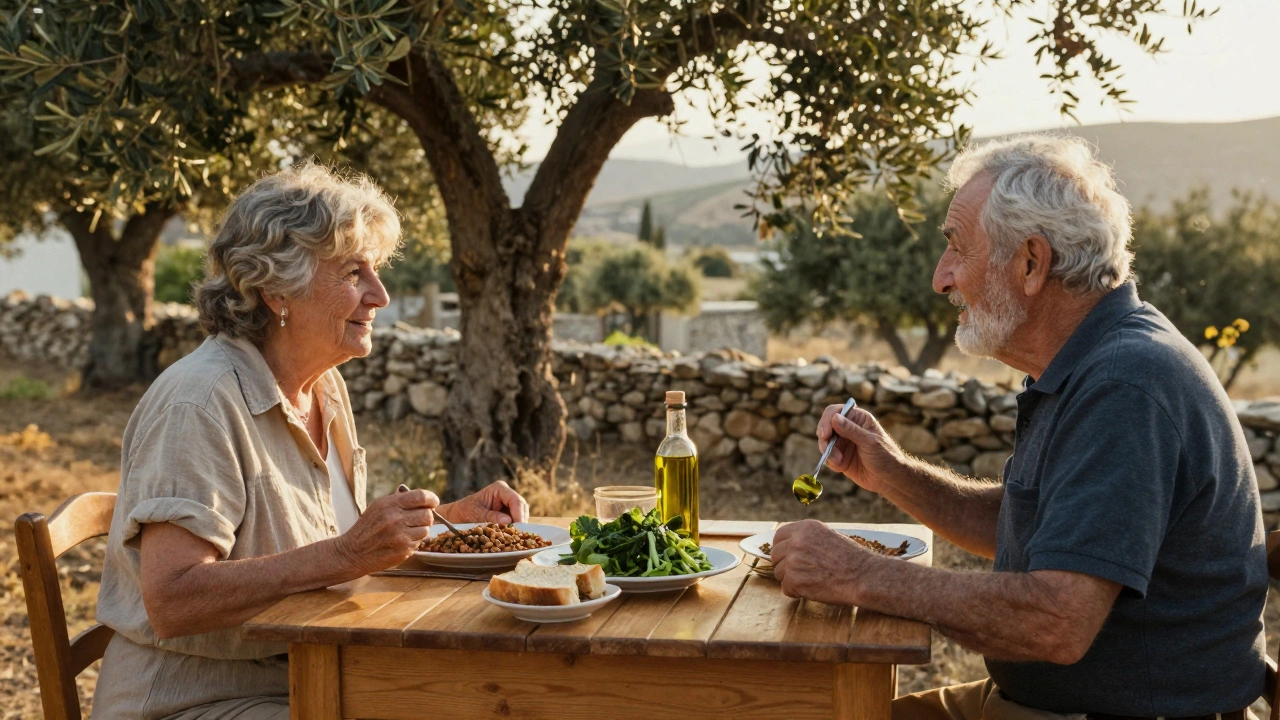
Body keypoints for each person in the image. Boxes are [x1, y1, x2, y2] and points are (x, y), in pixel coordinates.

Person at [770, 135, 1266, 719]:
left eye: (958, 248)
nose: (941, 278)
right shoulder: (1091, 361)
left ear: (1031, 262)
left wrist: (856, 575)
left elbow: (1057, 621)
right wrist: (893, 472)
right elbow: (1038, 528)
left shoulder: (1125, 386)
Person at [91, 162, 530, 719]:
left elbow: (322, 551)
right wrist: (349, 554)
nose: (380, 295)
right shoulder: (198, 404)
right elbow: (173, 599)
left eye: (375, 270)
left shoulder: (323, 388)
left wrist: (449, 526)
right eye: (353, 273)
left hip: (311, 679)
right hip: (198, 701)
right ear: (276, 290)